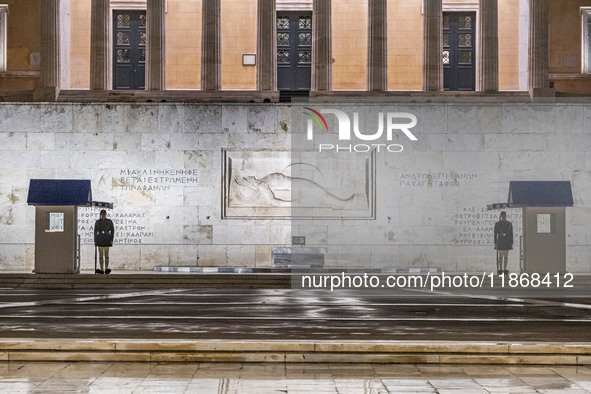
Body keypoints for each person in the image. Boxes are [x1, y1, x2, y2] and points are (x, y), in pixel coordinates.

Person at [94, 209, 115, 274]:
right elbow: (95, 232)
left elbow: (112, 231)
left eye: (104, 214)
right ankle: (102, 269)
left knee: (106, 255)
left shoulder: (109, 222)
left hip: (106, 238)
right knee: (100, 256)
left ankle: (106, 269)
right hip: (100, 238)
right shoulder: (97, 222)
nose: (103, 215)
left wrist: (111, 239)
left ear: (105, 214)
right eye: (102, 214)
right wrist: (95, 240)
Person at [494, 211, 513, 275]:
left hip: (507, 241)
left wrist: (511, 242)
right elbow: (495, 234)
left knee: (505, 256)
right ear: (501, 216)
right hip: (500, 241)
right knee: (500, 257)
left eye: (504, 215)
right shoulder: (498, 224)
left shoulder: (509, 224)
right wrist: (495, 242)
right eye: (502, 215)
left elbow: (511, 233)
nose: (503, 216)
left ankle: (505, 269)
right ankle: (500, 269)